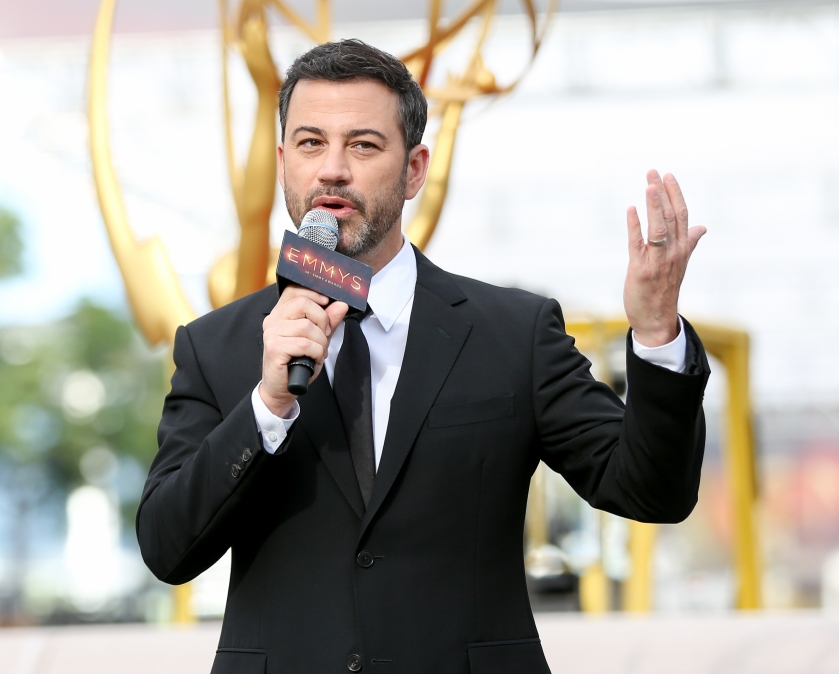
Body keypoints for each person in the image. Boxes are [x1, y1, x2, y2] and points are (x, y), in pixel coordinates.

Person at [137, 39, 709, 674]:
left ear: (414, 169)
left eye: (363, 145)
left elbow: (651, 491)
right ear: (282, 164)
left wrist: (657, 336)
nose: (332, 169)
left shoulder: (512, 333)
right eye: (309, 143)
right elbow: (167, 547)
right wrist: (267, 406)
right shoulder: (217, 345)